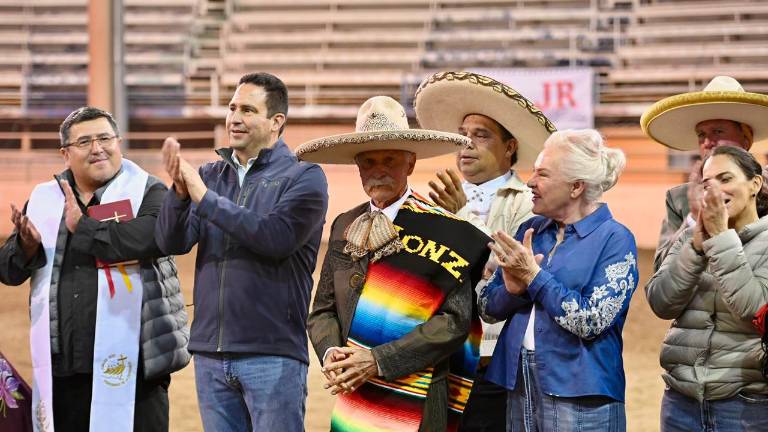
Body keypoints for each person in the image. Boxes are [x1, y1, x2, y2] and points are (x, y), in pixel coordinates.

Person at [299, 95, 491, 432]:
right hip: (354, 389)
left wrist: (377, 360)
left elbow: (454, 323)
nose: (379, 170)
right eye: (368, 162)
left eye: (389, 159)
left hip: (419, 394)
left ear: (411, 163)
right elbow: (323, 309)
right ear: (358, 167)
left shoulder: (447, 230)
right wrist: (332, 354)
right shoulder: (344, 225)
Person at [155, 72, 328, 432]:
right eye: (232, 107)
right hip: (209, 355)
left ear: (276, 121)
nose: (234, 118)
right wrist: (179, 192)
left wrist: (203, 196)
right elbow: (171, 243)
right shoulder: (211, 175)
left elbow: (275, 237)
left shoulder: (305, 177)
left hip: (273, 353)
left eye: (248, 110)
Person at [0, 107, 190, 431]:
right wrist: (26, 246)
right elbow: (8, 271)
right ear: (65, 153)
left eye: (105, 138)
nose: (97, 147)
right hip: (63, 371)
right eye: (85, 141)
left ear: (118, 142)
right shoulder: (46, 198)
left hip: (137, 369)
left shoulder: (148, 190)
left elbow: (149, 239)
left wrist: (82, 227)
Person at [414, 71, 555, 431]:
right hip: (440, 351)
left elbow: (509, 270)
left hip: (493, 356)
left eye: (481, 135)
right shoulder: (437, 202)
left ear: (510, 147)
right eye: (463, 135)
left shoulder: (530, 204)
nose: (467, 144)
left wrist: (458, 219)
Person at [480, 129, 638, 431]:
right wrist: (512, 291)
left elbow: (591, 321)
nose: (530, 182)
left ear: (576, 187)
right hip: (519, 383)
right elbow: (487, 306)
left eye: (543, 174)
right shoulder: (531, 229)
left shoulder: (616, 239)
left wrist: (534, 277)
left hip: (581, 391)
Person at [646, 145, 768, 431]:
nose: (714, 190)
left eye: (725, 179)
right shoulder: (689, 237)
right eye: (706, 183)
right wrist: (695, 250)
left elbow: (757, 310)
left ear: (755, 183)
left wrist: (720, 238)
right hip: (681, 403)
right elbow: (661, 303)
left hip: (746, 404)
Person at [640, 75, 768, 271]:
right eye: (702, 134)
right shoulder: (679, 199)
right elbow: (661, 269)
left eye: (718, 131)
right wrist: (692, 219)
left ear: (746, 138)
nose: (708, 142)